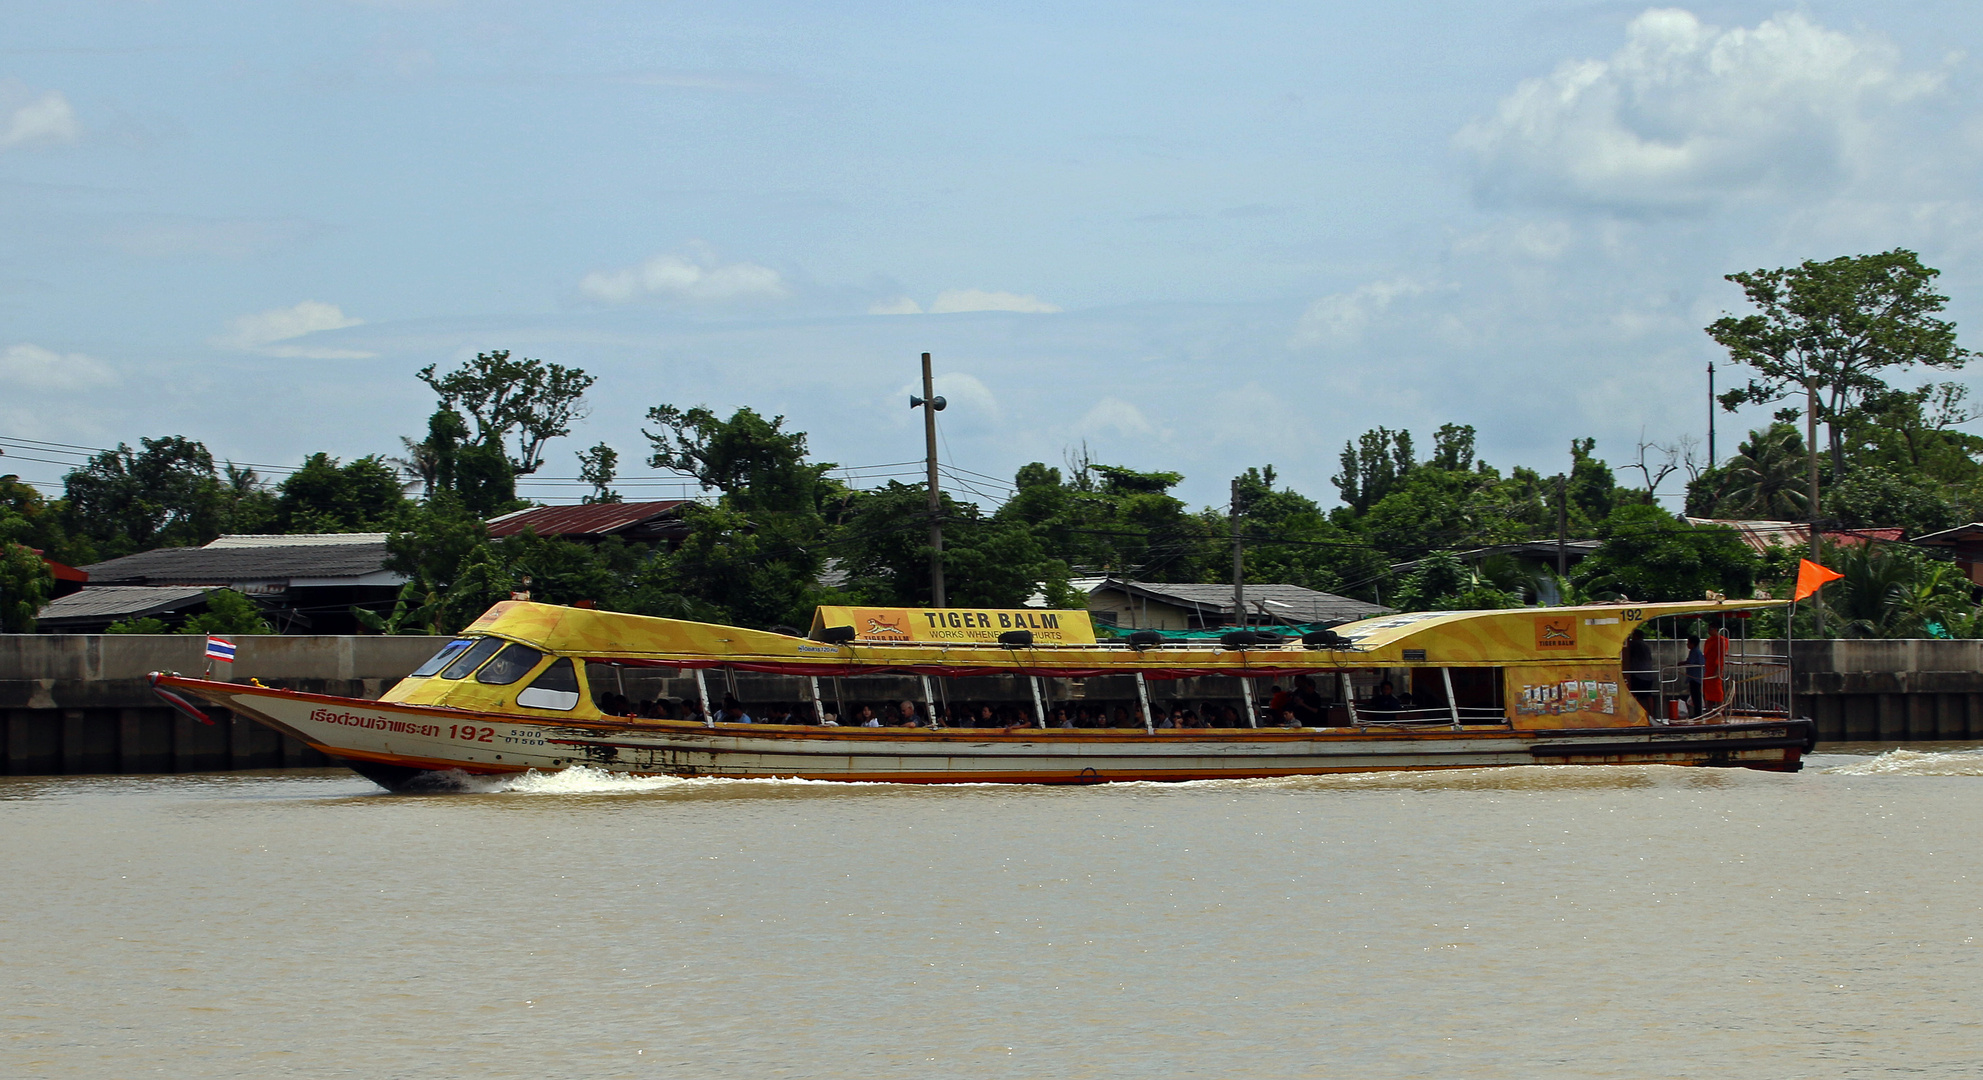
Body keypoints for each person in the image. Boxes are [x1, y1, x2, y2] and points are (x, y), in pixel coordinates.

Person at [1624, 629, 1657, 717]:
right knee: (1648, 695)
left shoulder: (1634, 644)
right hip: (1648, 673)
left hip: (1638, 673)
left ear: (1636, 636)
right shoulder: (1646, 646)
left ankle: (1635, 714)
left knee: (1633, 694)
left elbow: (1625, 652)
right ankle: (1651, 713)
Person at [1703, 625, 1731, 715]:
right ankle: (1709, 709)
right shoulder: (1709, 641)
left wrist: (1718, 669)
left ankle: (1720, 709)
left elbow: (1721, 656)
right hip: (1708, 667)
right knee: (1707, 690)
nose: (1709, 631)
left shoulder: (1722, 641)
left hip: (1716, 667)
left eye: (1710, 629)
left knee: (1717, 690)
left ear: (1716, 629)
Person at [1683, 635, 1706, 719]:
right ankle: (1697, 713)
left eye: (1688, 643)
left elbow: (1690, 662)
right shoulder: (1696, 651)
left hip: (1694, 677)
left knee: (1696, 695)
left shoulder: (1694, 652)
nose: (1687, 645)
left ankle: (1698, 713)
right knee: (1695, 695)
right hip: (1695, 676)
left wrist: (1682, 663)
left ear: (1692, 643)